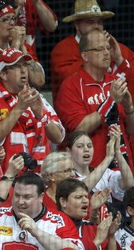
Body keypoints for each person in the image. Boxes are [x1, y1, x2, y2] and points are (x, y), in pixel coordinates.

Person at [57, 29, 134, 169]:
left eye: (107, 48)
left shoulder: (116, 81)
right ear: (85, 56)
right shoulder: (71, 85)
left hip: (124, 168)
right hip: (93, 170)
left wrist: (129, 109)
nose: (106, 53)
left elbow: (131, 130)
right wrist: (111, 101)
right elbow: (79, 129)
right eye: (99, 49)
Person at [0, 48, 65, 168]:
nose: (23, 70)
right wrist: (19, 109)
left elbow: (58, 137)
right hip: (8, 176)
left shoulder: (35, 96)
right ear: (3, 74)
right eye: (16, 67)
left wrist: (42, 115)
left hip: (39, 175)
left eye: (25, 65)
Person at [50, 0, 134, 98]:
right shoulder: (62, 49)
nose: (96, 26)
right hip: (81, 111)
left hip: (124, 112)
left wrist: (120, 60)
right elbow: (67, 81)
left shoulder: (118, 48)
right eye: (90, 22)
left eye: (99, 22)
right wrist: (95, 56)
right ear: (77, 25)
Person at [0, 0, 44, 88]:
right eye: (6, 19)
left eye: (13, 19)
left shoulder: (24, 46)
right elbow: (4, 82)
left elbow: (39, 81)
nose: (12, 23)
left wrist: (22, 47)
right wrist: (15, 45)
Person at [69, 130, 134, 200]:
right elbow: (81, 189)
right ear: (68, 151)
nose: (86, 149)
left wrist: (117, 151)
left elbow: (129, 184)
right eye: (80, 146)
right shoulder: (68, 176)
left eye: (89, 146)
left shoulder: (105, 173)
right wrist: (108, 157)